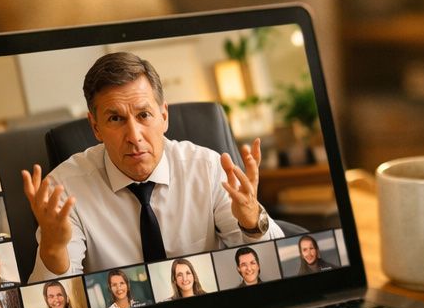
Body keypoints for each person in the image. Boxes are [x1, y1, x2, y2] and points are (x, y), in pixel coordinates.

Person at [21, 51, 277, 278]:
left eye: (144, 115)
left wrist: (253, 222)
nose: (134, 136)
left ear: (164, 116)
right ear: (95, 127)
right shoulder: (63, 189)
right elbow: (55, 306)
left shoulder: (208, 168)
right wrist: (53, 250)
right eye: (115, 118)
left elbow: (273, 266)